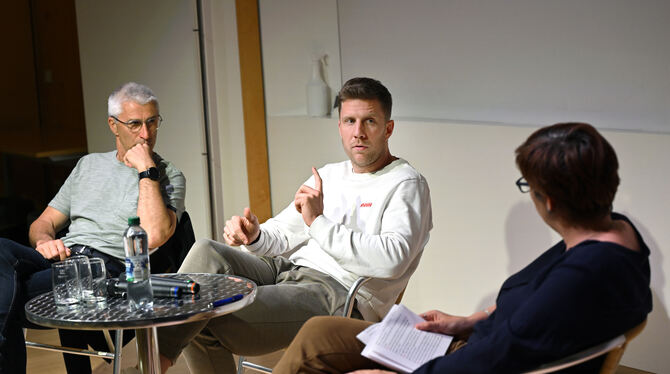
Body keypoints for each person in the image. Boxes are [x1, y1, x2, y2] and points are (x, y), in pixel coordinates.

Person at [273, 122, 652, 374]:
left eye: (528, 186)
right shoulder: (614, 231)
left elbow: (497, 357)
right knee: (318, 332)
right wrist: (469, 321)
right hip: (468, 344)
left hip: (464, 362)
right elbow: (529, 316)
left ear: (548, 201)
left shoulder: (584, 275)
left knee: (310, 354)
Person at [156, 77, 433, 373]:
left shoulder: (406, 184)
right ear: (339, 126)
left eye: (370, 122)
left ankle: (155, 359)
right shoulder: (329, 174)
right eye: (350, 121)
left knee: (202, 315)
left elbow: (391, 260)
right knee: (207, 252)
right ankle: (160, 356)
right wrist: (254, 236)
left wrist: (319, 222)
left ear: (388, 128)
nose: (358, 132)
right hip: (288, 272)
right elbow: (280, 234)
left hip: (337, 295)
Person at [0, 82, 186, 374]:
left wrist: (145, 171)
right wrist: (46, 240)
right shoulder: (88, 165)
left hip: (106, 270)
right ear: (113, 125)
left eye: (152, 122)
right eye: (135, 124)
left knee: (7, 299)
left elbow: (156, 235)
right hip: (62, 261)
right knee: (1, 249)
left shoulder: (167, 174)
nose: (146, 134)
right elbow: (43, 223)